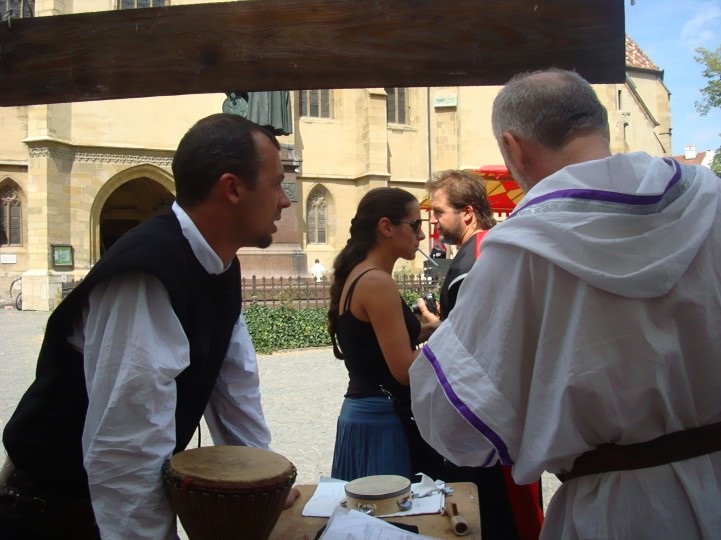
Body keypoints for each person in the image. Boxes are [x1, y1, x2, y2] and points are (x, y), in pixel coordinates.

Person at [410, 68, 721, 539]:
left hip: (616, 512)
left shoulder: (519, 249)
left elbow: (455, 419)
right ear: (601, 125)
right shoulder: (710, 201)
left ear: (513, 147)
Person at [0, 113, 299, 539]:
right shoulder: (145, 275)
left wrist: (261, 480)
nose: (285, 201)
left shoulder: (219, 263)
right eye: (275, 184)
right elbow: (126, 449)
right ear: (232, 188)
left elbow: (234, 387)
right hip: (53, 514)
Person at [416, 169, 543, 540]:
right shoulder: (494, 246)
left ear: (468, 212)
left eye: (439, 212)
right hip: (507, 408)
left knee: (498, 516)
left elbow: (477, 341)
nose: (434, 221)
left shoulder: (475, 258)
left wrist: (435, 327)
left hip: (487, 415)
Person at [328, 187, 438, 481]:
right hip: (380, 421)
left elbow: (375, 344)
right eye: (415, 225)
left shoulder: (363, 274)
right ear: (386, 227)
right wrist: (451, 343)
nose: (421, 235)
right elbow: (404, 370)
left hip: (364, 414)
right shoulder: (377, 281)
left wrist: (431, 329)